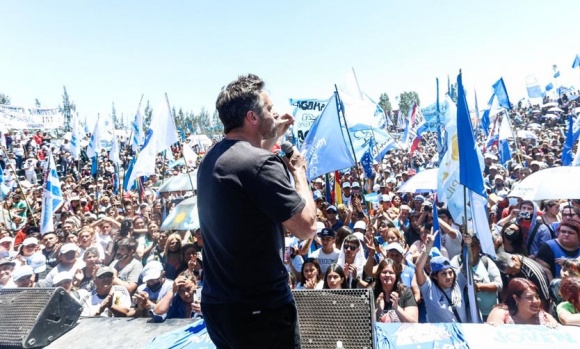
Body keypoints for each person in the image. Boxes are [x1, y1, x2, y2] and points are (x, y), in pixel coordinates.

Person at [197, 74, 316, 348]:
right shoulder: (261, 163)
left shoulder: (212, 159)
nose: (274, 114)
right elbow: (306, 226)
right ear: (252, 117)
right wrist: (299, 173)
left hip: (220, 308)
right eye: (269, 110)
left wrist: (274, 132)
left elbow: (246, 160)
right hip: (261, 312)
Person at [415, 231, 468, 323]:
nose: (449, 277)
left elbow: (468, 260)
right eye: (443, 274)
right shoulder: (429, 288)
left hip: (460, 335)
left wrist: (468, 244)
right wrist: (428, 246)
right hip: (439, 335)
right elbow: (418, 269)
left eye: (450, 272)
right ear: (435, 276)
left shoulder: (457, 282)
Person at [486, 278, 557, 326]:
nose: (535, 301)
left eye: (537, 297)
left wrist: (553, 327)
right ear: (516, 298)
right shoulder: (500, 314)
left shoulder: (545, 318)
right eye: (529, 297)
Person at [374, 258, 418, 323]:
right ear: (379, 274)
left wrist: (396, 308)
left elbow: (414, 322)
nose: (387, 275)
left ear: (396, 276)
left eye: (391, 273)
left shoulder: (406, 292)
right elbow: (363, 324)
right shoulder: (371, 292)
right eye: (384, 272)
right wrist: (379, 310)